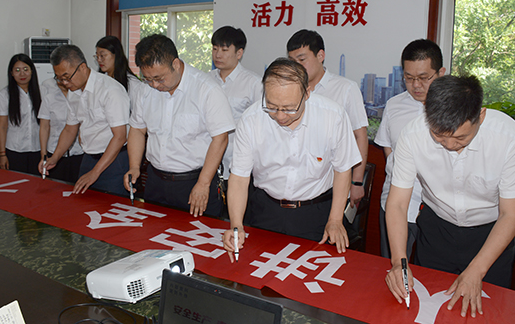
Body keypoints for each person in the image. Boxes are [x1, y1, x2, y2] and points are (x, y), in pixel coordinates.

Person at [385, 75, 515, 318]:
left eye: (460, 138)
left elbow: (511, 213)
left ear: (481, 116)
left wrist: (476, 270)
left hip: (490, 234)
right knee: (425, 310)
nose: (450, 145)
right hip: (436, 232)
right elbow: (398, 204)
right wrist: (398, 263)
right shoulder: (412, 135)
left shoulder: (508, 137)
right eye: (439, 137)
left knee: (487, 313)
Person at [222, 58, 362, 261]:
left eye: (288, 108)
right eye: (271, 106)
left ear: (306, 93)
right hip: (265, 209)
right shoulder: (252, 118)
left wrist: (335, 219)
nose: (280, 116)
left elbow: (342, 170)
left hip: (315, 212)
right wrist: (236, 226)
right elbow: (239, 177)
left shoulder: (333, 116)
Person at [124, 34, 235, 218]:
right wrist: (134, 166)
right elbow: (137, 128)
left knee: (197, 240)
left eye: (159, 78)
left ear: (175, 64)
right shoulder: (145, 90)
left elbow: (220, 138)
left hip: (194, 182)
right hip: (155, 180)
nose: (154, 85)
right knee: (153, 237)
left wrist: (203, 183)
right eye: (148, 78)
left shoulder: (206, 89)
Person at [374, 39, 445, 259]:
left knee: (432, 277)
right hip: (395, 205)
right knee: (394, 268)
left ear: (440, 73)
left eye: (424, 78)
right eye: (409, 78)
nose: (415, 85)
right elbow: (388, 147)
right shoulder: (394, 105)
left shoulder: (453, 108)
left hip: (438, 210)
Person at [287, 30, 368, 208]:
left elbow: (359, 136)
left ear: (320, 55)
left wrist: (357, 182)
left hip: (333, 186)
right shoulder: (290, 89)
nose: (297, 66)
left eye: (302, 60)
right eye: (293, 62)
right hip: (295, 186)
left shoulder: (345, 88)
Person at [40, 44, 129, 195]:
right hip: (88, 158)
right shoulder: (74, 92)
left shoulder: (110, 90)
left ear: (82, 67)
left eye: (67, 77)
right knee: (85, 208)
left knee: (111, 211)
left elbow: (120, 136)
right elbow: (70, 129)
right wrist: (54, 158)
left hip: (114, 162)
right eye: (60, 79)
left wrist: (95, 172)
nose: (65, 83)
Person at [209, 26, 262, 182]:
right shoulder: (205, 80)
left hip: (238, 165)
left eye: (224, 50)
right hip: (207, 163)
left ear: (239, 53)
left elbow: (260, 124)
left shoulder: (254, 83)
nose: (218, 55)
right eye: (214, 49)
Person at [0, 54, 41, 175]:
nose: (22, 74)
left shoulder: (41, 93)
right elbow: (2, 126)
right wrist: (2, 154)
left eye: (26, 69)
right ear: (11, 73)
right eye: (17, 70)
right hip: (15, 151)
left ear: (32, 71)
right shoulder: (4, 95)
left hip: (37, 149)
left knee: (36, 188)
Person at [38, 77, 84, 183]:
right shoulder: (49, 98)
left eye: (66, 79)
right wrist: (43, 154)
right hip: (54, 152)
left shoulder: (81, 97)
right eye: (58, 79)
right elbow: (44, 127)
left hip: (78, 152)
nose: (62, 82)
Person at [95, 35, 142, 109]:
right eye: (97, 56)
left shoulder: (132, 83)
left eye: (102, 55)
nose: (99, 60)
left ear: (116, 55)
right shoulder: (99, 80)